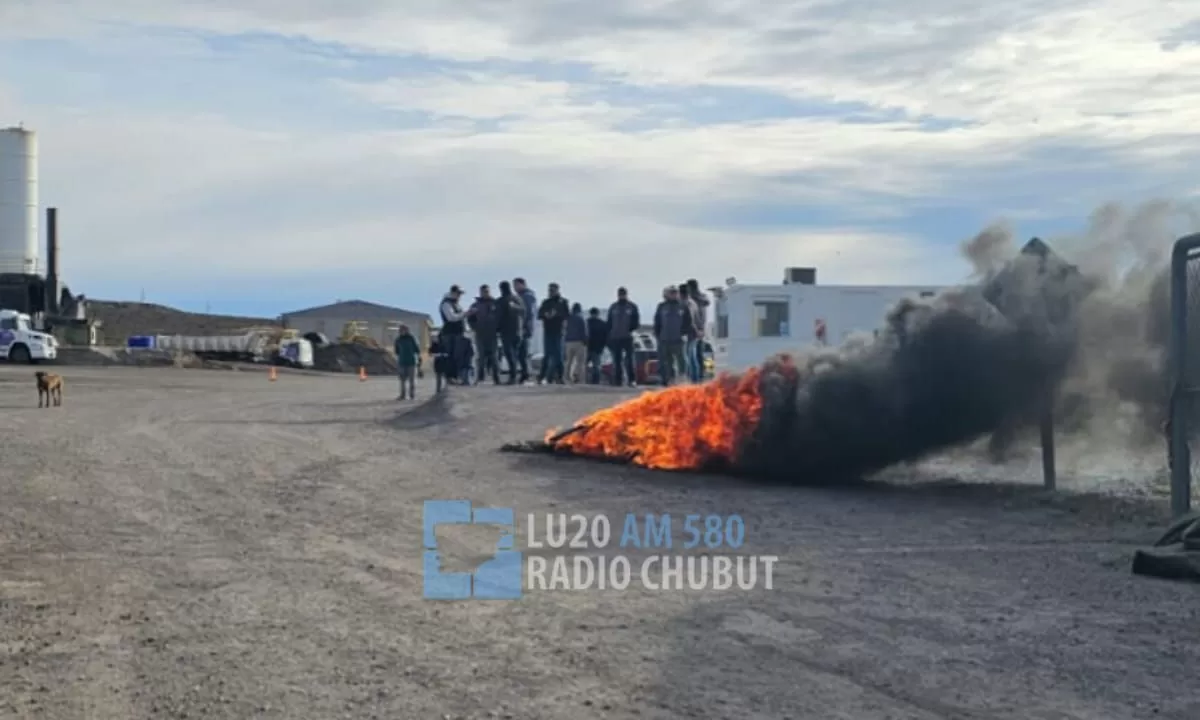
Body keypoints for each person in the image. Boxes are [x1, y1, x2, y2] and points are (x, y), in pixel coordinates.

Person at [653, 285, 693, 385]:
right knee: (667, 361)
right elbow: (657, 321)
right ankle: (670, 379)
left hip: (678, 339)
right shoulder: (662, 307)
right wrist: (658, 334)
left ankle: (683, 377)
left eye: (675, 292)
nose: (674, 294)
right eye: (671, 292)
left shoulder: (683, 306)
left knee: (682, 359)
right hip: (664, 338)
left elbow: (688, 321)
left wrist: (684, 333)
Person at [606, 286, 640, 387]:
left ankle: (632, 380)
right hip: (615, 337)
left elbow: (636, 321)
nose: (622, 296)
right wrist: (609, 334)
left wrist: (630, 329)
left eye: (623, 294)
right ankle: (618, 380)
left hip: (627, 337)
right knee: (617, 360)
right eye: (620, 294)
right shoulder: (613, 307)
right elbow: (609, 322)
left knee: (629, 359)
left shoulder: (632, 307)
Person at [467, 284, 501, 384]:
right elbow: (470, 319)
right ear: (480, 292)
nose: (485, 293)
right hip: (480, 334)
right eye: (483, 292)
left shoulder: (495, 303)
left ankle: (496, 378)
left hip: (492, 334)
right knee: (481, 356)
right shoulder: (475, 305)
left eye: (487, 291)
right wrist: (475, 327)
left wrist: (497, 329)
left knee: (494, 356)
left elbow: (500, 317)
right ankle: (480, 377)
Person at [537, 282, 570, 384]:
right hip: (548, 330)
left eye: (553, 290)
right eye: (549, 290)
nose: (551, 292)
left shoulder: (563, 302)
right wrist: (546, 314)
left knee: (559, 355)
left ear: (557, 290)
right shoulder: (546, 302)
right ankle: (542, 376)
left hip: (558, 331)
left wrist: (556, 315)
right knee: (547, 355)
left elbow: (567, 315)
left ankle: (560, 377)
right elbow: (540, 314)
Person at [438, 284, 471, 383]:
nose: (459, 296)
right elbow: (451, 317)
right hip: (450, 333)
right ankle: (450, 376)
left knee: (458, 355)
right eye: (458, 293)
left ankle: (456, 376)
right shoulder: (446, 304)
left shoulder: (455, 304)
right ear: (453, 293)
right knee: (451, 355)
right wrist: (465, 314)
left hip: (458, 332)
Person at [496, 280, 524, 384]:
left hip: (506, 331)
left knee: (510, 354)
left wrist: (497, 329)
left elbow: (497, 317)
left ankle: (513, 376)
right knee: (514, 354)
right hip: (517, 330)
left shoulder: (500, 301)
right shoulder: (517, 299)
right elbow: (523, 312)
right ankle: (514, 375)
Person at [513, 277, 537, 384]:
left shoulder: (527, 296)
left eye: (516, 285)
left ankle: (526, 374)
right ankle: (525, 373)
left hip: (524, 328)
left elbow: (528, 313)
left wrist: (525, 325)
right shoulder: (520, 296)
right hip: (521, 327)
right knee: (520, 352)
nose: (515, 288)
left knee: (523, 352)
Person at [687, 279, 710, 381]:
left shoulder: (691, 300)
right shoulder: (703, 298)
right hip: (702, 327)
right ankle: (700, 374)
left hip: (694, 328)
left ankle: (694, 375)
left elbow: (692, 316)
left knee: (692, 353)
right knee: (699, 352)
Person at [679, 282, 701, 384]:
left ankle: (691, 379)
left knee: (687, 357)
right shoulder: (693, 303)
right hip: (694, 333)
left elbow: (690, 320)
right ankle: (695, 379)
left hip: (689, 334)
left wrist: (684, 333)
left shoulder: (686, 304)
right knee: (693, 357)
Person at [393, 323, 421, 400]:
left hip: (411, 362)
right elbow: (396, 351)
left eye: (403, 329)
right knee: (402, 380)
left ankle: (412, 395)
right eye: (400, 330)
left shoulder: (412, 338)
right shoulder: (398, 340)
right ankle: (403, 395)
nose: (402, 331)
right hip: (402, 362)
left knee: (412, 380)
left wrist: (419, 359)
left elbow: (417, 349)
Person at [564, 303, 588, 383]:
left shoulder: (568, 318)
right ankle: (579, 378)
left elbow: (564, 329)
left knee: (569, 361)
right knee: (580, 362)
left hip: (568, 341)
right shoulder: (581, 318)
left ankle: (567, 377)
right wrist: (585, 341)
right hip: (579, 342)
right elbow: (584, 331)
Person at [585, 307, 608, 384]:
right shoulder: (602, 324)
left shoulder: (586, 323)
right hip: (597, 348)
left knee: (584, 365)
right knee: (596, 366)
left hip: (587, 347)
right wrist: (602, 346)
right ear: (598, 314)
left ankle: (584, 380)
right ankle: (596, 381)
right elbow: (605, 337)